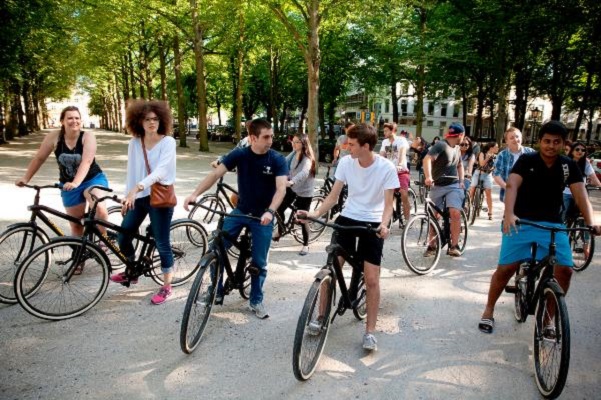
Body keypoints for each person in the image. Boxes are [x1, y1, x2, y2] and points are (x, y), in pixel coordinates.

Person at [478, 121, 601, 334]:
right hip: (521, 221)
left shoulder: (567, 165)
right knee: (506, 268)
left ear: (564, 144)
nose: (551, 146)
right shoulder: (527, 160)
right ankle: (488, 310)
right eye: (546, 141)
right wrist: (509, 214)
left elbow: (581, 195)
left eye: (556, 142)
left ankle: (549, 319)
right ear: (539, 142)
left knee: (565, 270)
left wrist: (591, 222)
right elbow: (512, 185)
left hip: (553, 223)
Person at [300, 123, 399, 351]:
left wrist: (384, 225)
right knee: (330, 269)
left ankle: (370, 332)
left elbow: (388, 205)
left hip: (373, 222)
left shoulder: (386, 168)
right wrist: (314, 214)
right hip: (348, 217)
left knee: (372, 279)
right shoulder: (346, 162)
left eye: (352, 144)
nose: (347, 147)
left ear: (366, 146)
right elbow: (334, 198)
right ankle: (320, 317)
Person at [183, 118, 288, 319]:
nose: (270, 141)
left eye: (271, 136)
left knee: (259, 261)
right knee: (216, 248)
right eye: (266, 137)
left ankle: (256, 300)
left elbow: (281, 189)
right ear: (252, 138)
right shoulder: (240, 154)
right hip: (240, 211)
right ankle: (216, 290)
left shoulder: (277, 159)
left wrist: (271, 211)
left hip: (262, 216)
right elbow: (215, 175)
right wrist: (195, 194)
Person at [16, 106, 110, 273]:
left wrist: (76, 182)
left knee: (99, 206)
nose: (74, 121)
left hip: (92, 179)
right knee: (76, 225)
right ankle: (79, 258)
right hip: (68, 184)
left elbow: (86, 162)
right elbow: (39, 158)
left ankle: (104, 240)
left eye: (77, 118)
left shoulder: (87, 136)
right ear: (62, 121)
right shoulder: (54, 137)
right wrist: (26, 179)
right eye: (70, 118)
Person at [109, 100, 177, 305]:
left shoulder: (168, 142)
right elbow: (132, 172)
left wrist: (138, 187)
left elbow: (161, 171)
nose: (152, 123)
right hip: (138, 197)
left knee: (161, 242)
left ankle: (166, 287)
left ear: (161, 120)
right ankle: (132, 270)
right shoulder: (134, 143)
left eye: (155, 119)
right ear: (138, 121)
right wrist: (127, 197)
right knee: (123, 236)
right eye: (147, 119)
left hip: (160, 198)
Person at [422, 122, 466, 257]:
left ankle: (454, 245)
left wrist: (462, 181)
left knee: (455, 213)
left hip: (453, 185)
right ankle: (432, 246)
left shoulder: (457, 148)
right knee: (434, 216)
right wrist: (428, 176)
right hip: (438, 185)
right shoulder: (441, 145)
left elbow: (459, 166)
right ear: (460, 135)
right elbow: (427, 159)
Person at [273, 133, 316, 256]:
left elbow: (304, 173)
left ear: (303, 144)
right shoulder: (293, 154)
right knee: (279, 207)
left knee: (302, 218)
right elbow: (282, 163)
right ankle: (281, 230)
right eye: (293, 141)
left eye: (297, 142)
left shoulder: (307, 159)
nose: (294, 143)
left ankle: (306, 245)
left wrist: (292, 181)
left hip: (304, 192)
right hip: (292, 188)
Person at [562, 141, 601, 222]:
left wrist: (600, 186)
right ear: (572, 151)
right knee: (562, 214)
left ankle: (588, 234)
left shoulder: (586, 163)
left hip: (580, 194)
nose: (580, 152)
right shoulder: (565, 162)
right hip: (565, 192)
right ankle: (559, 231)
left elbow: (594, 178)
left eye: (583, 150)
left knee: (587, 215)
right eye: (577, 149)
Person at [493, 127, 535, 202]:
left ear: (521, 138)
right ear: (506, 141)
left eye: (517, 136)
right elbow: (496, 174)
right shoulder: (502, 155)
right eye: (512, 138)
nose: (515, 139)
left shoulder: (531, 153)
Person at [380, 122, 411, 222]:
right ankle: (388, 217)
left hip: (401, 171)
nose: (384, 132)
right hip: (389, 172)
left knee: (403, 194)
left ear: (393, 130)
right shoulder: (385, 142)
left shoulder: (401, 140)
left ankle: (408, 220)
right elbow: (381, 156)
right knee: (386, 195)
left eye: (386, 131)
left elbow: (402, 153)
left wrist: (400, 164)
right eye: (383, 131)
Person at [469, 142, 499, 220]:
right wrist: (487, 158)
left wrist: (494, 168)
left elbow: (497, 167)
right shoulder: (482, 153)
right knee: (472, 189)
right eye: (496, 147)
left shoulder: (496, 156)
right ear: (491, 148)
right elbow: (482, 164)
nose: (497, 149)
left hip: (487, 175)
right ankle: (468, 207)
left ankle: (490, 212)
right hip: (478, 174)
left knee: (488, 193)